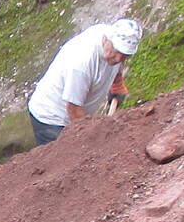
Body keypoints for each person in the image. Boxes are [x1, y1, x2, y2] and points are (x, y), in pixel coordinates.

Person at [26, 17, 143, 146]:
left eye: (125, 54)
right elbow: (74, 110)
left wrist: (117, 83)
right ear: (106, 39)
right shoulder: (81, 64)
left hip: (75, 109)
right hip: (52, 119)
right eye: (117, 51)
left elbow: (118, 62)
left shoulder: (111, 39)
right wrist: (92, 141)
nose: (119, 58)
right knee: (66, 156)